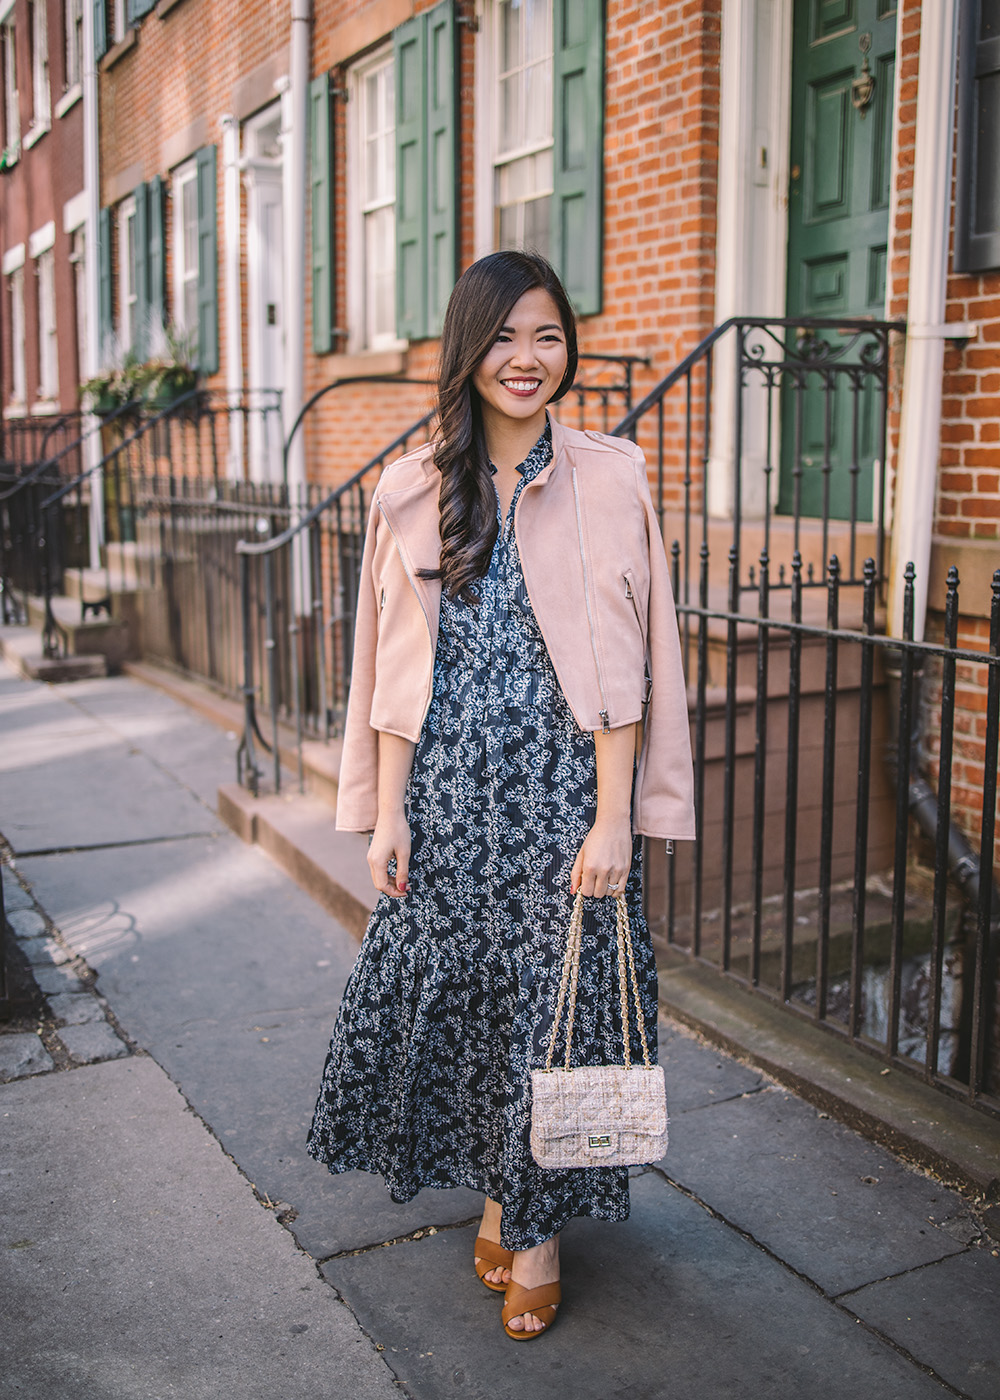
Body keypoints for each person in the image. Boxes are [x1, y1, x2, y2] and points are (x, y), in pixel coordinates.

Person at [308, 250, 695, 1341]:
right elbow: (388, 675)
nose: (528, 360)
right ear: (467, 348)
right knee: (475, 1014)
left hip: (559, 798)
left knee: (551, 1016)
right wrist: (387, 810)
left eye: (548, 336)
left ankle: (536, 1233)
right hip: (445, 799)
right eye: (505, 337)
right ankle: (498, 1186)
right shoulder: (409, 488)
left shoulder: (609, 476)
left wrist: (615, 815)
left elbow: (624, 665)